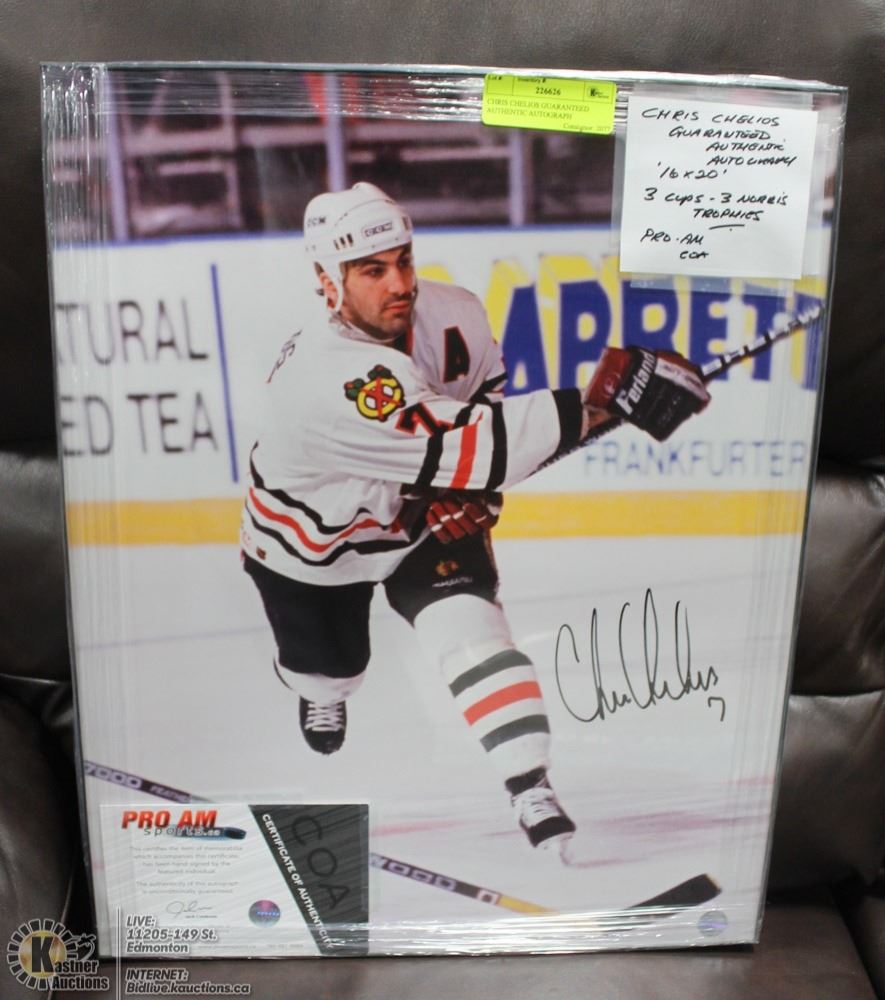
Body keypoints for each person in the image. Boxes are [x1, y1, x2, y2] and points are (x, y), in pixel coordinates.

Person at [241, 182, 710, 855]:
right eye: (372, 271)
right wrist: (602, 405)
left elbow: (483, 403)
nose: (399, 284)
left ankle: (528, 783)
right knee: (330, 668)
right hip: (314, 543)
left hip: (418, 519)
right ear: (328, 283)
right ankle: (323, 687)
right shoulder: (325, 376)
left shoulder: (454, 313)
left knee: (471, 630)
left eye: (403, 260)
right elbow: (470, 445)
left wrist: (472, 497)